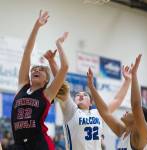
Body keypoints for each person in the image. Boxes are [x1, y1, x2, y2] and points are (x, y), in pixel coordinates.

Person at [43, 50, 131, 150]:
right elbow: (62, 85)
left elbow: (117, 100)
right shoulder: (71, 111)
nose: (80, 96)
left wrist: (127, 81)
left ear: (90, 102)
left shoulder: (98, 113)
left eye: (85, 95)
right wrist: (52, 61)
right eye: (77, 95)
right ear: (74, 101)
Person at [11, 10, 69, 150]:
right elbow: (27, 52)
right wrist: (37, 26)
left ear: (46, 80)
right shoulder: (22, 86)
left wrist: (58, 44)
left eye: (41, 70)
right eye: (33, 69)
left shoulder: (47, 94)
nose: (36, 70)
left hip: (39, 144)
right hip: (19, 145)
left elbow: (65, 67)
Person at [87, 54, 147, 150]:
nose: (128, 111)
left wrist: (134, 75)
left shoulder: (141, 138)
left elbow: (136, 106)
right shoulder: (124, 132)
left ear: (139, 119)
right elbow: (105, 113)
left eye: (132, 112)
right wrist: (91, 87)